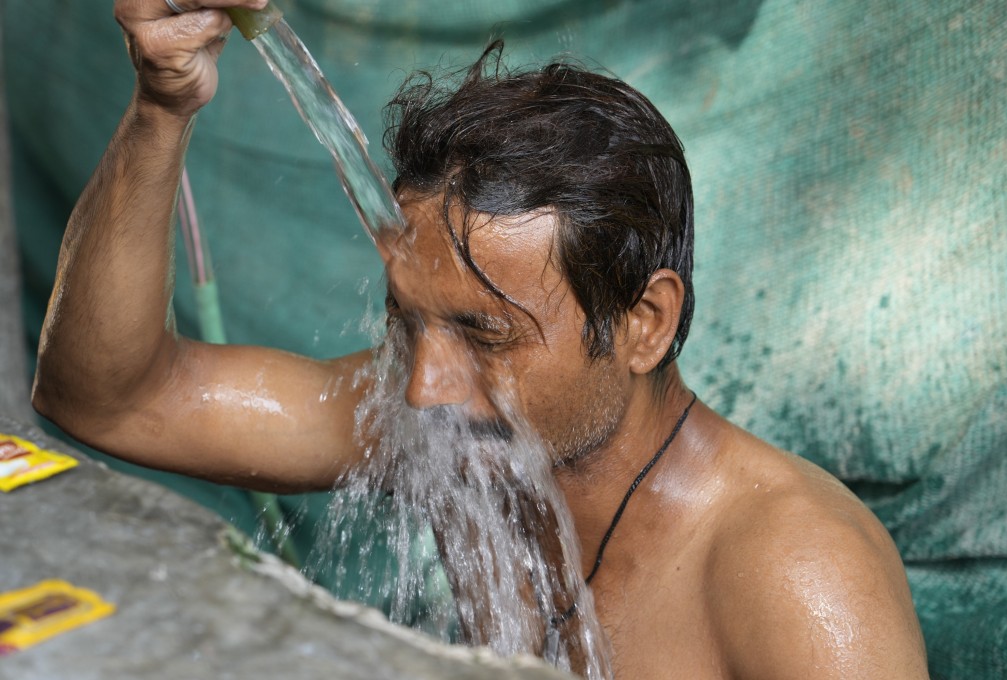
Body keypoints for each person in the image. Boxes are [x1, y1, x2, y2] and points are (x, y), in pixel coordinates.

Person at [32, 0, 930, 677]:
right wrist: (162, 107)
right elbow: (111, 399)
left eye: (485, 334)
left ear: (644, 323)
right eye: (405, 320)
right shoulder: (443, 430)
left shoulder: (801, 578)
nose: (425, 386)